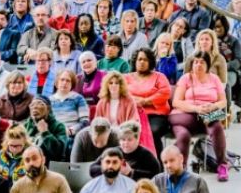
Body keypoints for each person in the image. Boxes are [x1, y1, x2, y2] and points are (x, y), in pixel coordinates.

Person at [170, 50, 229, 181]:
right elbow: (176, 102)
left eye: (202, 62)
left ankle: (222, 166)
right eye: (196, 62)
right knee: (183, 135)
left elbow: (223, 101)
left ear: (208, 65)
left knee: (217, 127)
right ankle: (181, 169)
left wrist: (212, 106)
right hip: (184, 116)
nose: (198, 65)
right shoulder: (185, 78)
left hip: (207, 115)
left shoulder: (214, 79)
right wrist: (196, 108)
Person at [125, 48, 171, 158]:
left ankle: (157, 164)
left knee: (152, 132)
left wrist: (145, 101)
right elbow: (123, 94)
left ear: (150, 62)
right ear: (135, 61)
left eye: (145, 60)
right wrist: (136, 101)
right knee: (127, 132)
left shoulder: (159, 76)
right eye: (139, 59)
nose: (142, 62)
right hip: (133, 114)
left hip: (156, 115)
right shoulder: (126, 78)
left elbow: (165, 93)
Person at [91, 121, 160, 181]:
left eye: (129, 140)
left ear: (137, 139)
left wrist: (131, 172)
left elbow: (156, 176)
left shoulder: (146, 155)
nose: (126, 143)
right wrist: (111, 169)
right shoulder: (112, 152)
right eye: (123, 140)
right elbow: (93, 168)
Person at [50, 70, 89, 153]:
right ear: (57, 82)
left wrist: (71, 130)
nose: (64, 83)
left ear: (72, 84)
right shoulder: (49, 100)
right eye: (62, 80)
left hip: (72, 135)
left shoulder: (78, 99)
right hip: (54, 135)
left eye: (68, 81)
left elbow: (85, 121)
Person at [24, 96, 68, 164]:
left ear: (48, 108)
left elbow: (59, 153)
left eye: (39, 103)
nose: (35, 107)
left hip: (49, 166)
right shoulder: (25, 126)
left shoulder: (58, 126)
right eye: (32, 105)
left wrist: (45, 133)